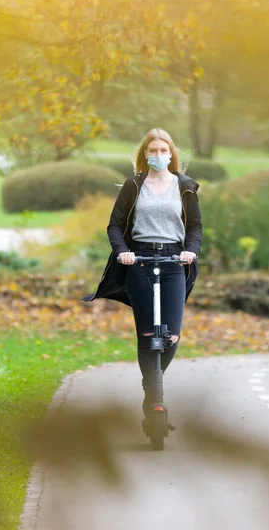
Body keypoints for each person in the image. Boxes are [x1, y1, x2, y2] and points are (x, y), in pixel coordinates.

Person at [84, 128, 202, 421]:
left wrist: (191, 250)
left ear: (171, 154)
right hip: (139, 260)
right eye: (153, 151)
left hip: (175, 261)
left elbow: (196, 227)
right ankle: (156, 402)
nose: (159, 156)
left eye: (164, 151)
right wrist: (123, 250)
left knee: (171, 336)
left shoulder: (185, 186)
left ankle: (151, 388)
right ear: (145, 154)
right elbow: (114, 225)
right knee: (148, 334)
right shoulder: (133, 186)